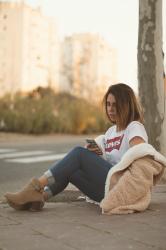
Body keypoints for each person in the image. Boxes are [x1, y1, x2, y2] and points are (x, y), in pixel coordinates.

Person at [5, 83, 166, 215]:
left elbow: (139, 156)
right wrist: (98, 155)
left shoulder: (134, 127)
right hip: (105, 186)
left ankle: (34, 187)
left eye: (115, 105)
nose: (110, 109)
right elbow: (111, 162)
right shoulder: (110, 132)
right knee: (71, 170)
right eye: (108, 104)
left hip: (119, 185)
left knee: (78, 154)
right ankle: (41, 196)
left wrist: (89, 158)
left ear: (126, 105)